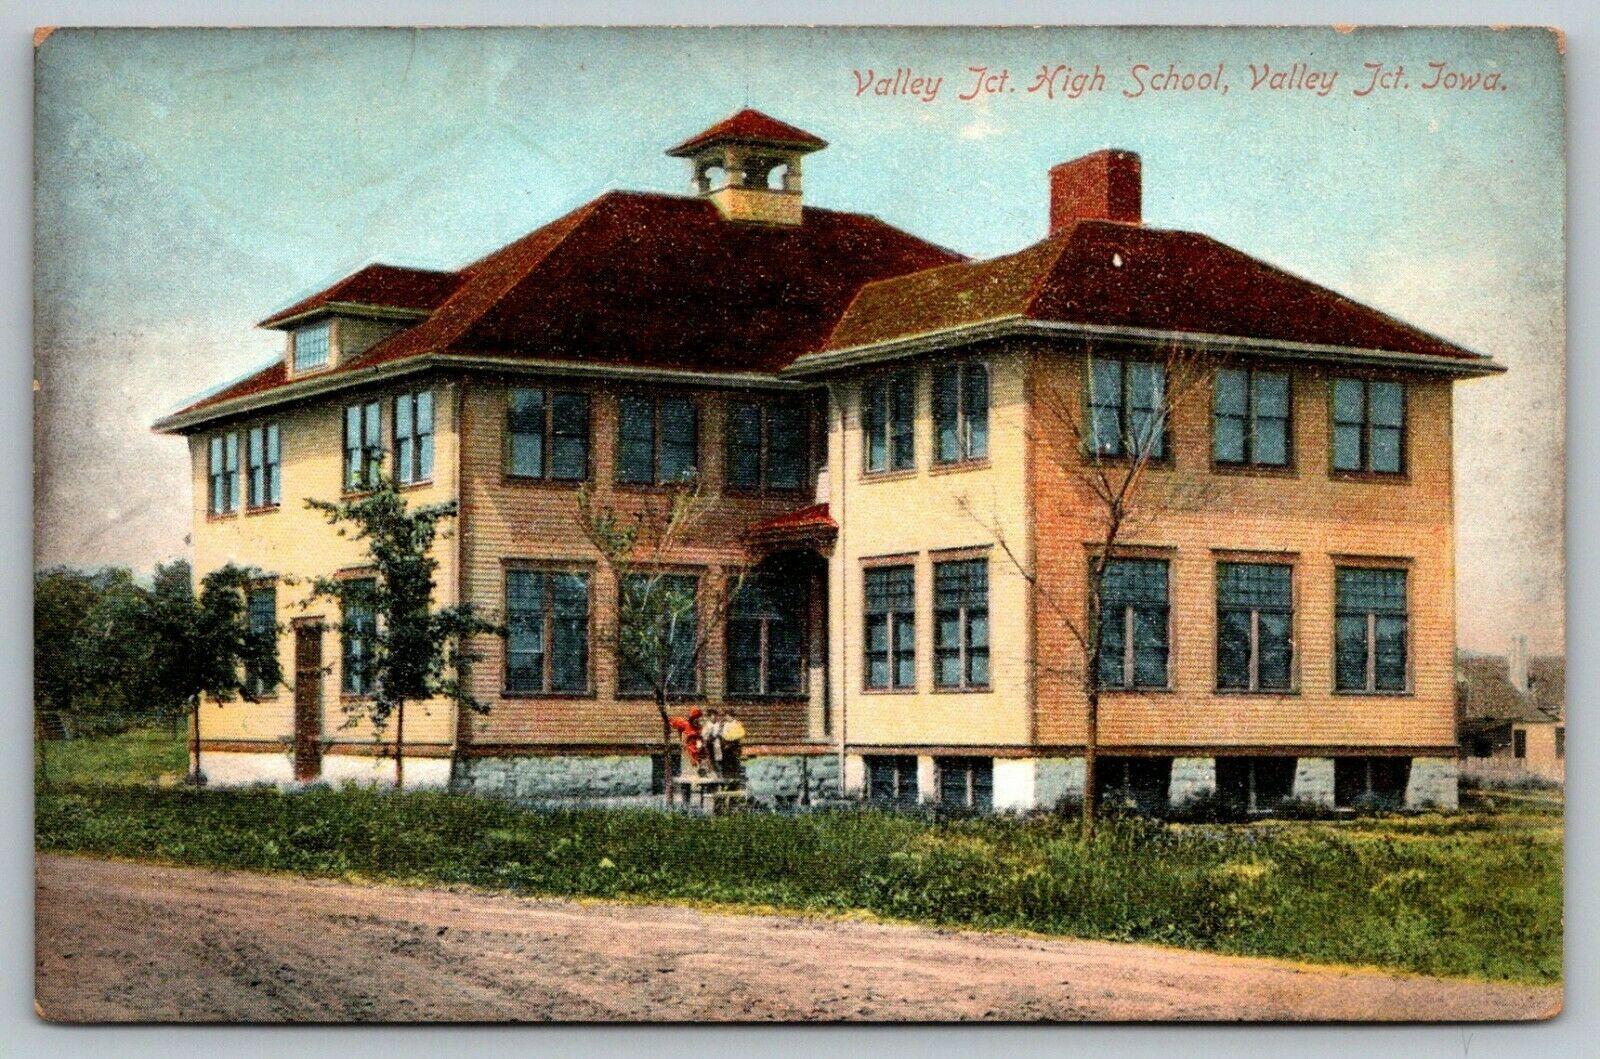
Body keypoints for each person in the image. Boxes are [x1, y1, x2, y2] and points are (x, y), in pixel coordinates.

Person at [720, 710, 746, 781]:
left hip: (734, 745)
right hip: (726, 745)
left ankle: (735, 779)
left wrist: (732, 739)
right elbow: (723, 734)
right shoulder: (725, 724)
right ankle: (726, 778)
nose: (726, 717)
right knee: (726, 762)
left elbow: (742, 734)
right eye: (726, 716)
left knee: (734, 762)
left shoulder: (737, 723)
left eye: (727, 716)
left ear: (731, 716)